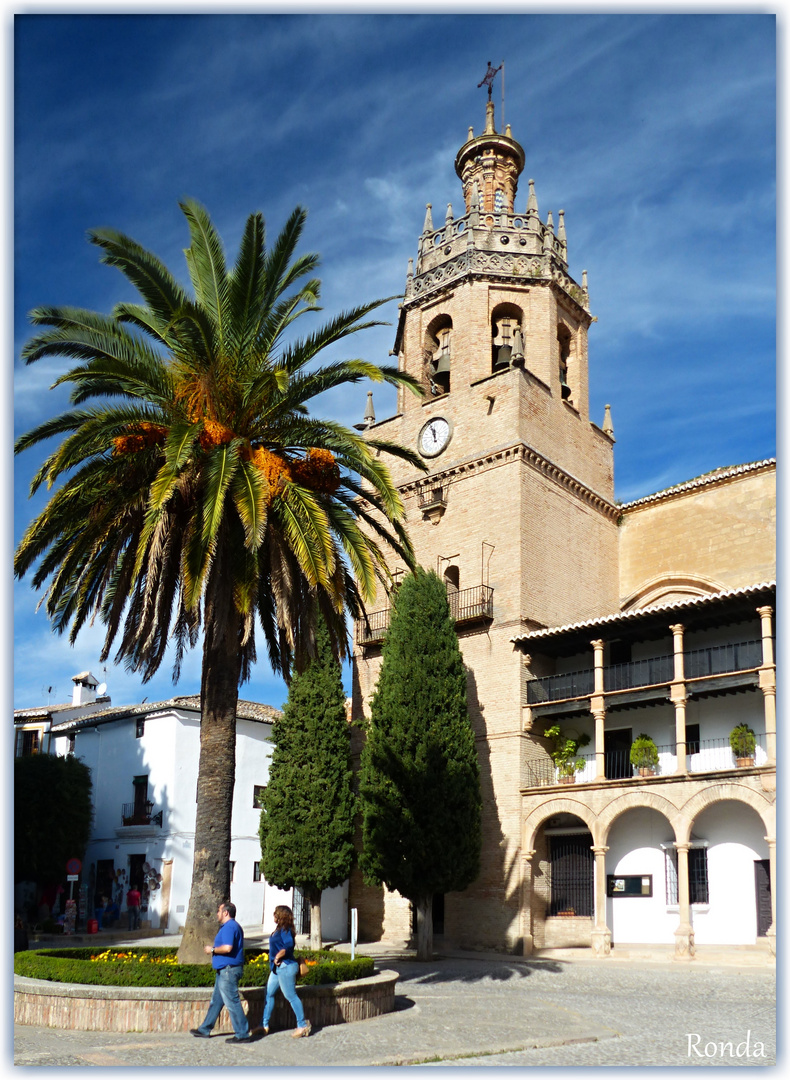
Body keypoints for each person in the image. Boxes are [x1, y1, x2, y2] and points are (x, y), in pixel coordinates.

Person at [190, 902, 253, 1044]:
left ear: (226, 913)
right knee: (216, 1001)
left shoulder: (230, 927)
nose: (217, 913)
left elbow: (228, 948)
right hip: (224, 970)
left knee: (232, 1001)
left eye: (219, 911)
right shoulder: (229, 927)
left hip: (228, 970)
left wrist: (212, 950)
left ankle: (242, 1033)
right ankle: (205, 1029)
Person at [261, 905, 311, 1038]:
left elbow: (288, 946)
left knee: (291, 996)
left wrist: (278, 956)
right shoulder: (279, 929)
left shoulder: (286, 930)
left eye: (275, 914)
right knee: (269, 993)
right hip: (277, 969)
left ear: (281, 916)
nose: (274, 916)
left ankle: (302, 1026)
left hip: (286, 967)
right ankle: (264, 1025)